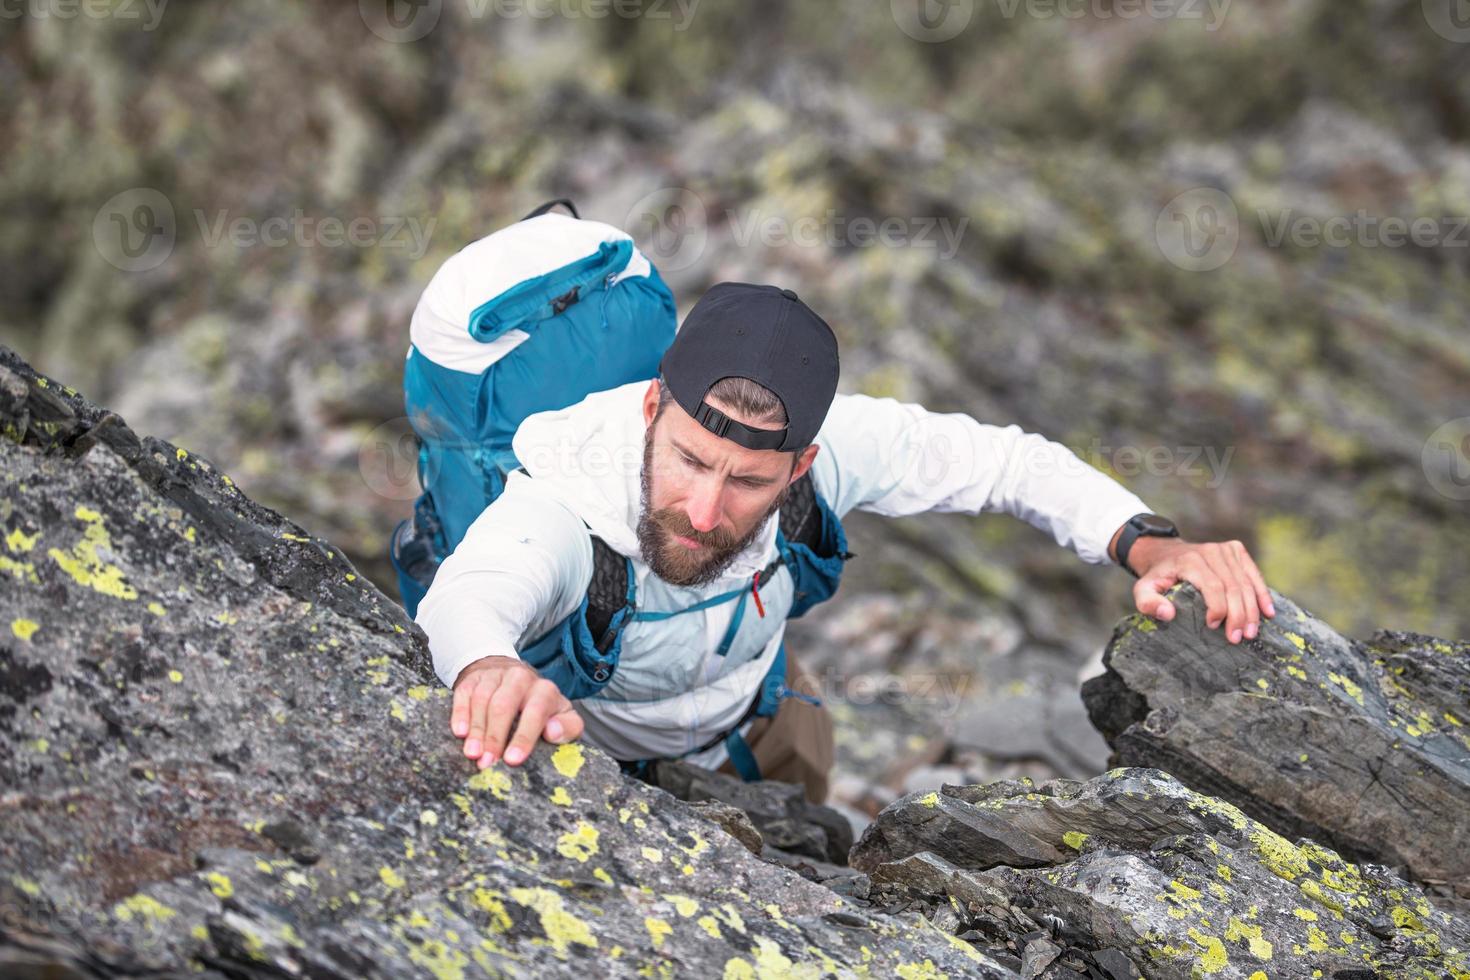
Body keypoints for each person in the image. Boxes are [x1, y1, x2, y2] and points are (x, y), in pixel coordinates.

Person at [415, 282, 1275, 803]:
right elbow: (475, 590)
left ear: (803, 465)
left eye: (751, 480)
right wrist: (488, 667)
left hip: (765, 722)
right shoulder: (565, 498)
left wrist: (1150, 543)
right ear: (651, 409)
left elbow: (1009, 464)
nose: (707, 511)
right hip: (595, 763)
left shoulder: (840, 454)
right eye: (689, 460)